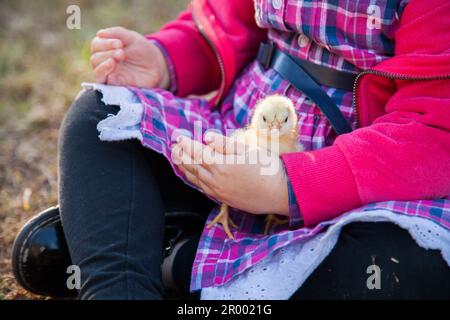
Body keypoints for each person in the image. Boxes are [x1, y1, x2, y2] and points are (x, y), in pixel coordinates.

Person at [14, 0, 450, 299]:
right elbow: (228, 24)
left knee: (399, 269)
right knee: (100, 116)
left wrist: (287, 185)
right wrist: (166, 60)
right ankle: (119, 284)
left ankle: (171, 261)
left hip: (362, 187)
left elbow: (433, 128)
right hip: (235, 136)